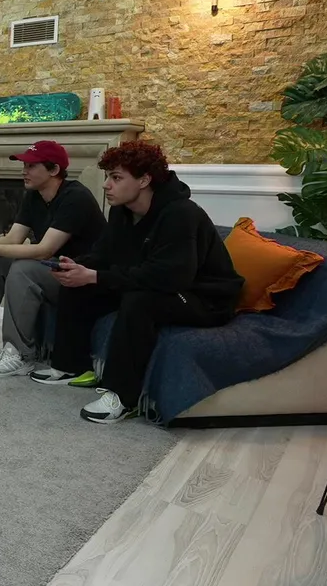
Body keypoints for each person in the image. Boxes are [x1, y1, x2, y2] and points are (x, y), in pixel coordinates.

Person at [39, 141, 244, 424]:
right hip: (162, 284)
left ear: (144, 180)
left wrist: (96, 276)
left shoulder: (181, 213)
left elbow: (170, 277)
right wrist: (77, 266)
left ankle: (123, 397)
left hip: (202, 297)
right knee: (79, 287)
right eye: (108, 177)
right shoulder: (121, 211)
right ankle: (70, 366)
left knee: (139, 300)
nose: (106, 185)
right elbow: (104, 254)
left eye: (116, 178)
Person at [0, 140, 106, 378]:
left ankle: (20, 355)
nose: (24, 171)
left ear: (54, 170)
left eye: (32, 166)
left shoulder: (76, 198)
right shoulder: (33, 195)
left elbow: (44, 250)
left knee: (23, 270)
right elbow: (13, 238)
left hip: (81, 277)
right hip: (55, 267)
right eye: (24, 165)